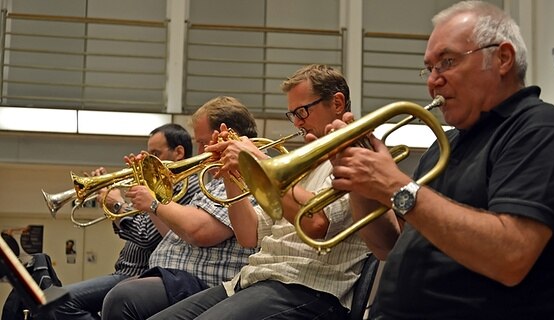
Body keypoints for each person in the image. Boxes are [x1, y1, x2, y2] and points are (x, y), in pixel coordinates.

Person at [327, 1, 554, 319]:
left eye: (447, 62)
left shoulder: (541, 129)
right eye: (429, 68)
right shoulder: (446, 144)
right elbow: (389, 245)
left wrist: (396, 185)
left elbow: (511, 255)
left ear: (502, 58)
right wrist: (358, 177)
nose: (433, 80)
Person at [147, 64, 373, 320]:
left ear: (338, 103)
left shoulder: (358, 155)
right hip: (255, 279)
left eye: (302, 111)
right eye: (293, 114)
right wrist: (233, 173)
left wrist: (257, 160)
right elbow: (248, 234)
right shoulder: (302, 163)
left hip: (309, 289)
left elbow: (316, 223)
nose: (298, 122)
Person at [101, 96, 259, 320]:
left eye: (203, 142)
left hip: (204, 282)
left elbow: (200, 232)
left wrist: (154, 203)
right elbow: (175, 233)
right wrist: (152, 195)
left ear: (227, 135)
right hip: (175, 277)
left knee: (120, 298)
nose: (201, 150)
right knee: (118, 295)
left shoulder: (243, 176)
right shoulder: (214, 180)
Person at [52, 123, 198, 320]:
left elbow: (145, 236)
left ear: (179, 152)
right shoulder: (155, 186)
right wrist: (111, 200)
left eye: (155, 153)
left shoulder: (182, 187)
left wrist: (117, 204)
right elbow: (137, 227)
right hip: (125, 271)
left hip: (140, 275)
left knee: (59, 303)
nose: (148, 159)